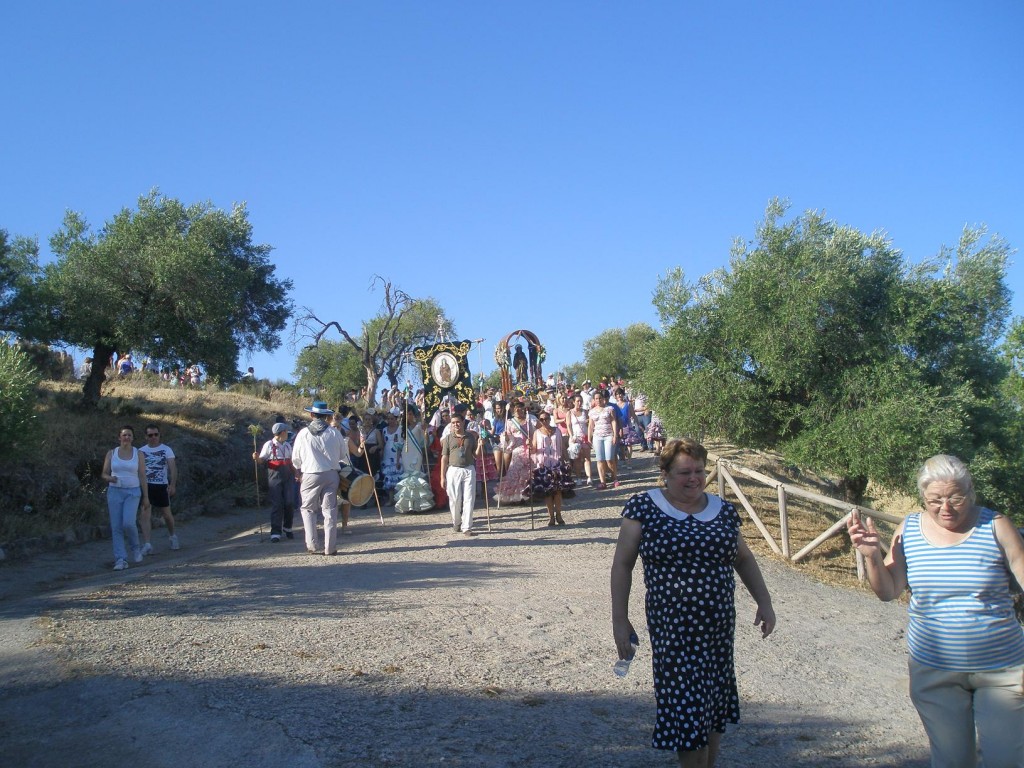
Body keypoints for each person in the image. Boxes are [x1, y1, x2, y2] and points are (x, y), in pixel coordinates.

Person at [847, 454, 1024, 767]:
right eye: (935, 499)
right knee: (951, 761)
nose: (946, 508)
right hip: (934, 670)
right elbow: (887, 591)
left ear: (970, 493)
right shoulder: (910, 530)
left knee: (1007, 760)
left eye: (955, 497)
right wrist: (872, 556)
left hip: (1003, 671)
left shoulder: (996, 526)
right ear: (923, 498)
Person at [611, 438, 776, 767]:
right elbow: (622, 564)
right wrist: (620, 619)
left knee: (712, 706)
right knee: (687, 711)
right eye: (684, 472)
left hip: (717, 630)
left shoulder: (722, 510)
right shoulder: (643, 507)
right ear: (666, 474)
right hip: (674, 632)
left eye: (699, 471)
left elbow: (742, 559)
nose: (693, 478)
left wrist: (764, 602)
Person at [292, 401, 344, 556]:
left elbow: (296, 459)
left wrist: (299, 468)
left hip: (310, 473)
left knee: (308, 509)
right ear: (327, 416)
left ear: (311, 415)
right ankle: (330, 547)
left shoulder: (303, 434)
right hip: (331, 474)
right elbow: (342, 455)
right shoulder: (335, 433)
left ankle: (313, 545)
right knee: (330, 510)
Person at [100, 425, 149, 570]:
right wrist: (110, 478)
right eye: (124, 435)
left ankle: (135, 547)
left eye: (129, 435)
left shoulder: (138, 453)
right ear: (119, 437)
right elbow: (104, 473)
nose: (126, 437)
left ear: (133, 438)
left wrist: (146, 496)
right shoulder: (112, 453)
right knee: (116, 526)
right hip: (115, 492)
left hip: (133, 492)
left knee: (128, 522)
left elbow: (142, 475)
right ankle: (120, 559)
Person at [139, 424, 179, 554]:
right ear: (146, 437)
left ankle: (172, 535)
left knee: (166, 514)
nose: (153, 437)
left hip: (161, 485)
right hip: (146, 486)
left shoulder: (166, 449)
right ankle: (147, 543)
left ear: (159, 435)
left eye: (156, 434)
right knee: (145, 514)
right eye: (150, 435)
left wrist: (172, 484)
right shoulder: (141, 451)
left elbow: (172, 467)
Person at [254, 422, 296, 542]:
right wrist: (256, 458)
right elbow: (261, 461)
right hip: (275, 476)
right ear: (282, 432)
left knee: (289, 502)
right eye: (286, 432)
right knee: (277, 504)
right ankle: (275, 532)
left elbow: (291, 462)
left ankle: (287, 527)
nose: (287, 434)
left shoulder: (287, 445)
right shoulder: (269, 445)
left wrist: (297, 474)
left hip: (288, 476)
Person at [532, 411, 573, 526]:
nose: (544, 421)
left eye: (546, 419)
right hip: (543, 465)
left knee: (558, 491)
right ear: (539, 421)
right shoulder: (537, 433)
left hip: (557, 464)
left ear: (550, 419)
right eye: (542, 419)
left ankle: (559, 514)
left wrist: (567, 460)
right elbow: (534, 449)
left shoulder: (557, 431)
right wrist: (530, 446)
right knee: (548, 493)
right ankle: (551, 516)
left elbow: (563, 447)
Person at [440, 414, 478, 535]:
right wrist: (442, 476)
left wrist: (480, 445)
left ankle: (467, 527)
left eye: (457, 422)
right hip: (453, 469)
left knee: (469, 498)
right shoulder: (448, 438)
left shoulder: (470, 437)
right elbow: (444, 458)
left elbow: (476, 455)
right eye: (453, 422)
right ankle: (456, 521)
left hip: (469, 468)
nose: (455, 424)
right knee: (455, 499)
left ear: (463, 422)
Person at [393, 406, 435, 513]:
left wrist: (425, 432)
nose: (409, 416)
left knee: (416, 474)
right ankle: (408, 505)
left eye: (411, 414)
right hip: (405, 454)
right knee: (408, 475)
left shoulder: (419, 426)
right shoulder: (401, 428)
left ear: (414, 415)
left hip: (416, 453)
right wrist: (397, 460)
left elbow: (425, 442)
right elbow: (398, 445)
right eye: (407, 414)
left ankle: (419, 504)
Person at [494, 401, 535, 504]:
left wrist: (532, 442)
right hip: (517, 449)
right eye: (516, 408)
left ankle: (528, 494)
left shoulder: (528, 421)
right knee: (514, 473)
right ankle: (515, 495)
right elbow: (506, 439)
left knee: (528, 473)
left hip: (529, 449)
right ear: (513, 410)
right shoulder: (510, 422)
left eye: (520, 408)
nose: (518, 410)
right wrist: (506, 437)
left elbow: (534, 434)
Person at [588, 389, 619, 489]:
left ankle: (614, 478)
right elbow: (590, 425)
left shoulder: (610, 409)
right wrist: (589, 437)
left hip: (608, 435)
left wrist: (615, 435)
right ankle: (603, 481)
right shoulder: (591, 412)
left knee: (609, 458)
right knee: (600, 459)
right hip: (597, 436)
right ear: (594, 400)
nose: (598, 400)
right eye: (596, 398)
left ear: (603, 399)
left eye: (600, 398)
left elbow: (614, 421)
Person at [564, 393, 593, 485]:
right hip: (575, 438)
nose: (579, 403)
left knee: (587, 458)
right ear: (573, 402)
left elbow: (589, 425)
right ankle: (579, 477)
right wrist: (572, 436)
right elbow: (568, 425)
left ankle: (589, 477)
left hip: (584, 437)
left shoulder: (585, 412)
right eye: (578, 401)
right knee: (577, 459)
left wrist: (589, 436)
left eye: (581, 401)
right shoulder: (569, 413)